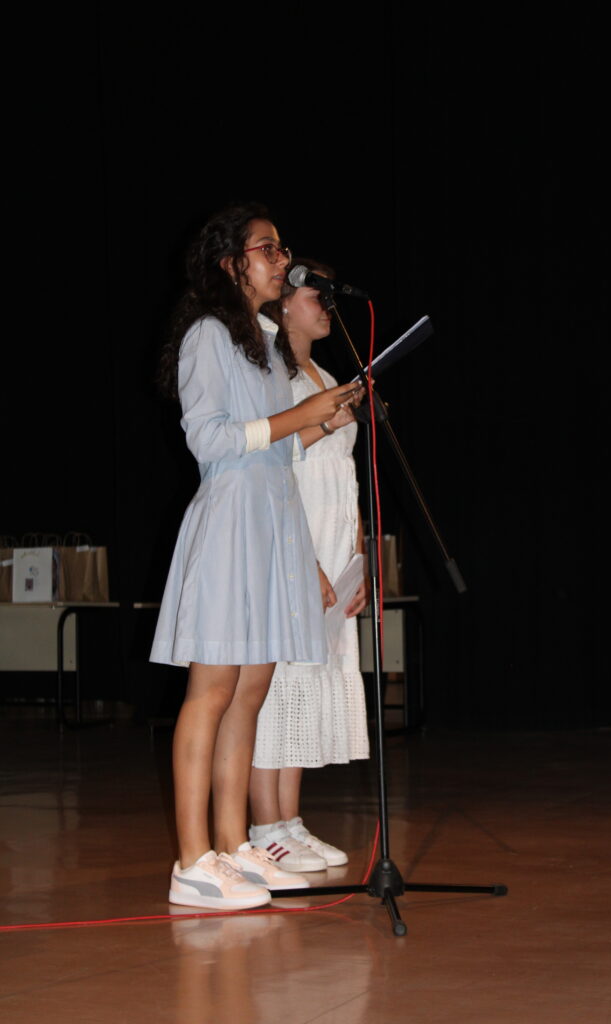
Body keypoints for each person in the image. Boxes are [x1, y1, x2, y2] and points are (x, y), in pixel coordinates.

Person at [151, 205, 362, 910]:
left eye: (281, 248)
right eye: (267, 248)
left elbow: (275, 446)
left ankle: (234, 843)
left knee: (250, 692)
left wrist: (320, 421)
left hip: (275, 524)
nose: (282, 259)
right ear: (230, 263)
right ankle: (191, 861)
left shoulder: (269, 348)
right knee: (212, 691)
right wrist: (299, 417)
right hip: (232, 525)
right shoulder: (208, 335)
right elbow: (209, 440)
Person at [249, 258, 370, 871]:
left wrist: (357, 556)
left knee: (304, 688)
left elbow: (343, 476)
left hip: (332, 544)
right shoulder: (273, 376)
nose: (325, 304)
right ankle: (263, 824)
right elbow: (273, 467)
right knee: (276, 688)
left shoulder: (328, 376)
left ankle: (289, 821)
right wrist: (308, 561)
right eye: (313, 296)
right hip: (293, 548)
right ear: (282, 306)